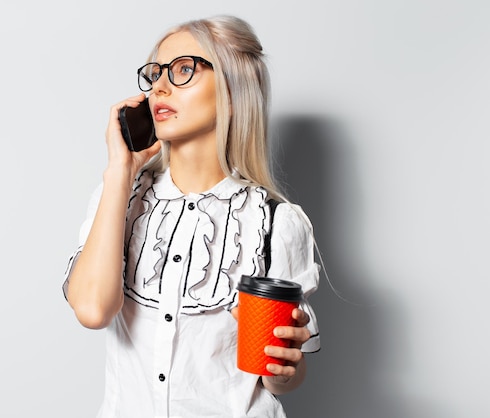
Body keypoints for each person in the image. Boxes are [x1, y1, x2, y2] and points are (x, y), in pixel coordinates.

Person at [62, 15, 320, 418]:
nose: (160, 87)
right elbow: (93, 310)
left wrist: (284, 364)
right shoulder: (117, 199)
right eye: (155, 73)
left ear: (233, 92)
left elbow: (280, 378)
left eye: (184, 70)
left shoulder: (274, 223)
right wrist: (120, 171)